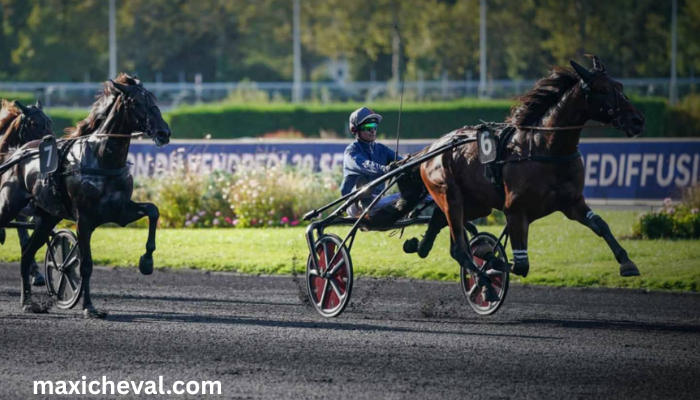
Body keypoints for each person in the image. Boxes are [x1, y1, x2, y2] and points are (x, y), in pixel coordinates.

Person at [341, 107, 403, 218]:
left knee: (411, 195)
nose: (373, 130)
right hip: (354, 204)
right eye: (368, 127)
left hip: (378, 200)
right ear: (356, 129)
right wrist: (386, 169)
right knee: (362, 181)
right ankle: (365, 208)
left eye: (374, 126)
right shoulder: (351, 151)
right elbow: (365, 165)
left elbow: (402, 161)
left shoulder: (382, 149)